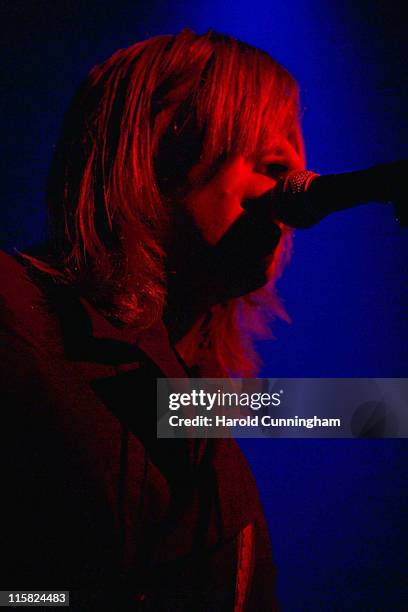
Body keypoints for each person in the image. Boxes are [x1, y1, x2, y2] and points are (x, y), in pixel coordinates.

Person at [0, 30, 304, 610]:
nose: (293, 161)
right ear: (155, 139)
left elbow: (369, 410)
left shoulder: (209, 434)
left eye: (292, 140)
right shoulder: (12, 313)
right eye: (254, 122)